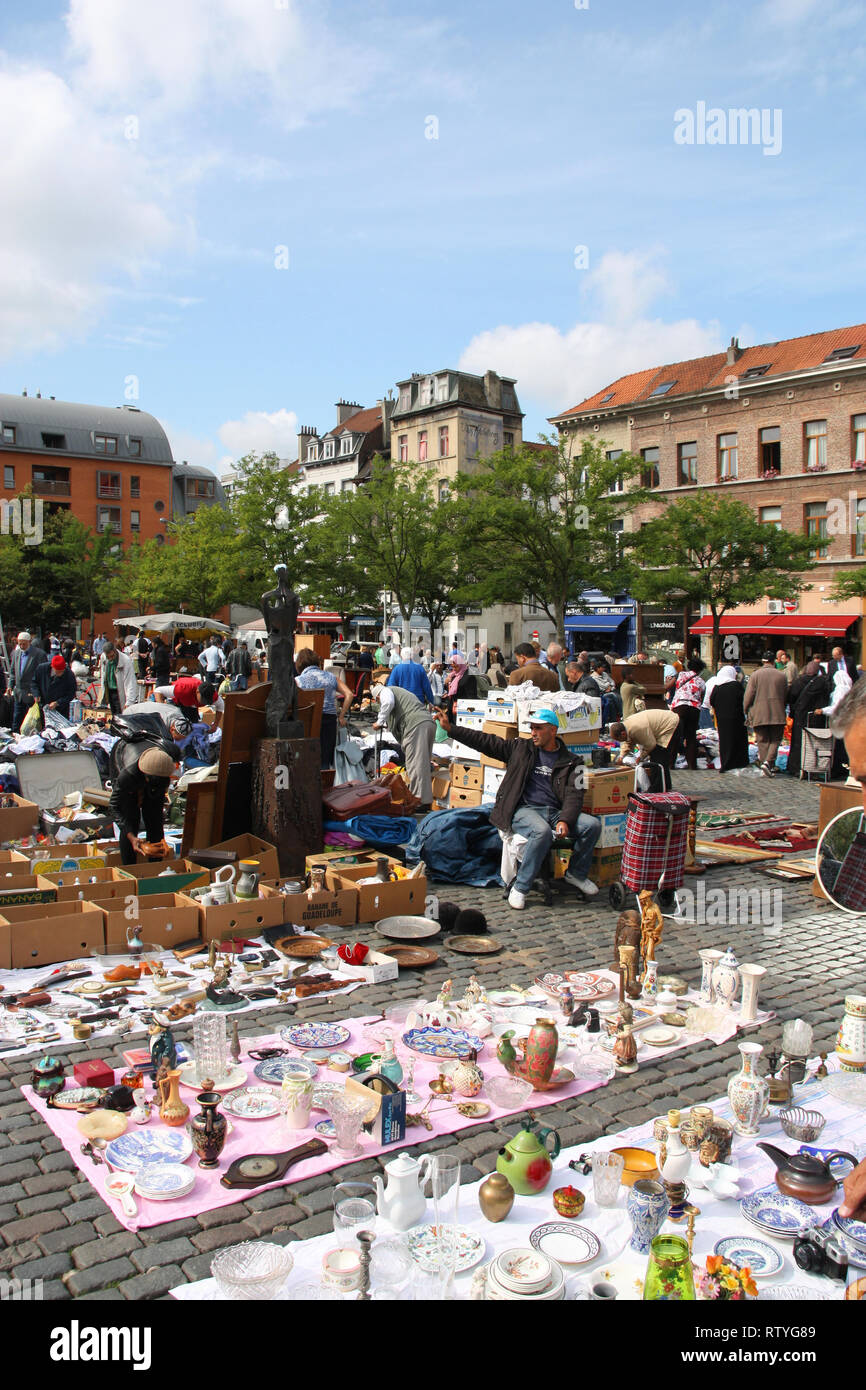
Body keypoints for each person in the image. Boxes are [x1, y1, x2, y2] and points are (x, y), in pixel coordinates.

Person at [433, 705, 601, 907]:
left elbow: (576, 794)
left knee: (592, 825)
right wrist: (451, 729)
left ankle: (576, 874)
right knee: (541, 832)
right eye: (532, 728)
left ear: (553, 730)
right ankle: (521, 886)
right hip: (524, 810)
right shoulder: (521, 748)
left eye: (539, 728)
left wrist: (565, 819)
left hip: (555, 813)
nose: (534, 732)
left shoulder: (575, 762)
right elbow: (486, 742)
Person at [108, 745, 176, 865]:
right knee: (130, 820)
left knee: (154, 822)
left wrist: (160, 841)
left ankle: (156, 867)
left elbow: (157, 813)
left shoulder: (163, 772)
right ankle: (130, 869)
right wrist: (132, 837)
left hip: (151, 783)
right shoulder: (126, 776)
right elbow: (114, 807)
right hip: (130, 787)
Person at [372, 682, 435, 809]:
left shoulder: (386, 691)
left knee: (415, 765)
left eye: (378, 702)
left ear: (377, 697)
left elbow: (388, 702)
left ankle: (419, 800)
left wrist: (379, 721)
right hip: (426, 722)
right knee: (422, 764)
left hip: (416, 726)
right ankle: (424, 800)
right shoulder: (400, 695)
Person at [294, 648, 353, 769]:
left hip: (308, 721)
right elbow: (349, 694)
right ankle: (326, 782)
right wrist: (341, 716)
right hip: (329, 720)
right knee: (326, 758)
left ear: (299, 664)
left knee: (308, 756)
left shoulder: (298, 681)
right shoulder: (330, 677)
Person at [742, 651, 789, 777]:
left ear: (763, 661)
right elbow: (785, 695)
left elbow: (749, 695)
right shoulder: (781, 675)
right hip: (777, 712)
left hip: (759, 712)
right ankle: (769, 763)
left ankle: (765, 763)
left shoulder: (755, 675)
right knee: (775, 739)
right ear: (774, 661)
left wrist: (746, 709)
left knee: (762, 740)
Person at [609, 709, 680, 791]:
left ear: (622, 734)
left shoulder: (637, 729)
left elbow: (650, 744)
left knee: (658, 758)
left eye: (619, 740)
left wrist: (641, 756)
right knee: (658, 757)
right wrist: (621, 756)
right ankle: (665, 787)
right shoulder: (626, 727)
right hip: (666, 723)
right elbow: (627, 742)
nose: (619, 742)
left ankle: (658, 788)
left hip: (670, 724)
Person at [786, 659, 831, 778]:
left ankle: (796, 767)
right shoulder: (822, 682)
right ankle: (812, 767)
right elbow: (825, 700)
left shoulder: (799, 681)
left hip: (800, 716)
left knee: (798, 743)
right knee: (813, 743)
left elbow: (791, 697)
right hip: (815, 718)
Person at [708, 665, 749, 772]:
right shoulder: (736, 686)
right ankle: (739, 762)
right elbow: (742, 699)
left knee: (725, 741)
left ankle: (726, 763)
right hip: (736, 718)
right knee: (737, 739)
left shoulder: (717, 686)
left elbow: (712, 700)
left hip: (722, 718)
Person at [816, 663, 854, 779]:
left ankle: (838, 770)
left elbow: (836, 707)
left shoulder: (840, 690)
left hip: (840, 721)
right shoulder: (849, 689)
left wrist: (822, 710)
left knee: (838, 747)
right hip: (848, 721)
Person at [671, 658, 706, 770]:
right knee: (691, 737)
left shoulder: (681, 675)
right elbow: (702, 697)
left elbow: (669, 686)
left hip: (679, 707)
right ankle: (692, 764)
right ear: (700, 669)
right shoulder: (701, 681)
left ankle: (670, 764)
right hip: (694, 708)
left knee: (675, 736)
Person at [10, 631, 48, 731]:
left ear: (29, 642)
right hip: (19, 692)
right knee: (17, 718)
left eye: (24, 643)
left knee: (32, 720)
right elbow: (13, 672)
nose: (21, 646)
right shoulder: (16, 653)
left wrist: (39, 692)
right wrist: (10, 685)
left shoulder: (39, 654)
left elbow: (43, 675)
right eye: (20, 643)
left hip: (32, 693)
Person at [97, 641, 138, 715]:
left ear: (115, 651)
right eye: (108, 657)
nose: (110, 659)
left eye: (112, 656)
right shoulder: (103, 657)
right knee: (113, 714)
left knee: (121, 715)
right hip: (109, 691)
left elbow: (130, 682)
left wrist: (129, 701)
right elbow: (103, 674)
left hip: (119, 692)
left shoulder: (125, 660)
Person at [35, 653, 77, 719]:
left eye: (61, 671)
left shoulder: (69, 675)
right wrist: (36, 694)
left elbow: (71, 693)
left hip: (61, 710)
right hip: (43, 706)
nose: (60, 674)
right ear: (52, 666)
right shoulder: (41, 669)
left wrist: (58, 702)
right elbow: (34, 682)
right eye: (58, 671)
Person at [443, 651, 478, 719]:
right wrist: (446, 683)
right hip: (452, 708)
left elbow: (472, 697)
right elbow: (450, 690)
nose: (454, 669)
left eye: (456, 666)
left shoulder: (469, 676)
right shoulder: (453, 675)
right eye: (452, 667)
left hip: (462, 710)